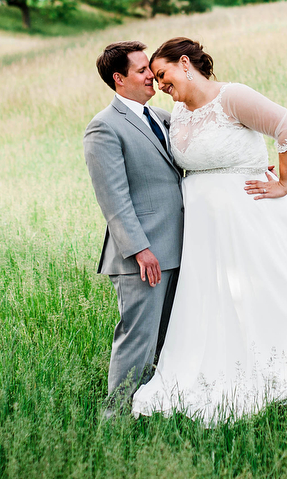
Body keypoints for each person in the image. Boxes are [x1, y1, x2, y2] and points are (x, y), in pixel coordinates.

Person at [131, 37, 287, 425]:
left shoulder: (232, 97)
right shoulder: (177, 112)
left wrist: (283, 183)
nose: (160, 84)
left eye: (162, 74)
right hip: (202, 227)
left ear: (184, 63)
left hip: (246, 217)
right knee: (213, 298)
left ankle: (278, 360)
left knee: (261, 291)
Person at [83, 41, 184, 418]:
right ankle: (115, 419)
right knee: (137, 341)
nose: (151, 76)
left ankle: (153, 409)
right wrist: (140, 250)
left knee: (167, 340)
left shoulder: (158, 116)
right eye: (142, 70)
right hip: (143, 257)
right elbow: (114, 199)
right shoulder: (103, 128)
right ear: (119, 79)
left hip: (178, 247)